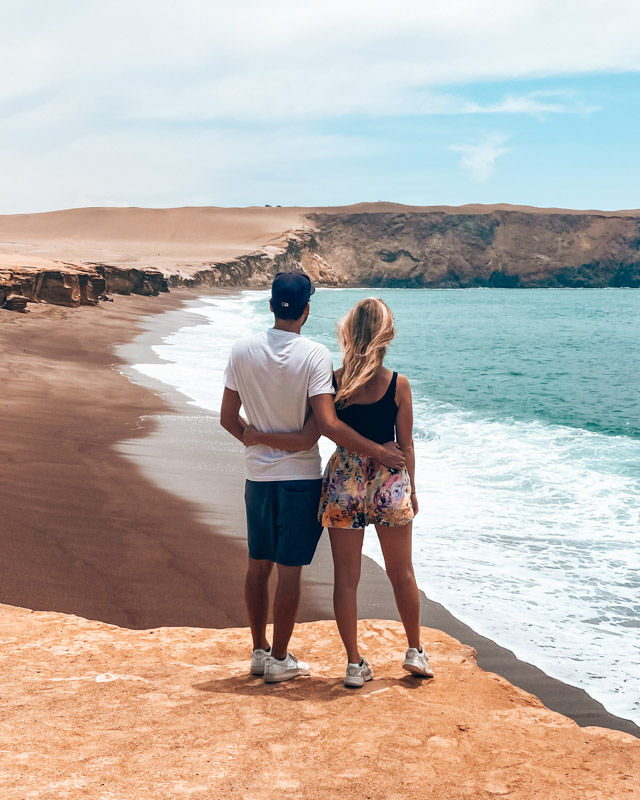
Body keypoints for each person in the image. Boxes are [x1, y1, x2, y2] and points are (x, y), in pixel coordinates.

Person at [220, 274, 405, 684]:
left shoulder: (241, 349)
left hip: (258, 476)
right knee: (289, 571)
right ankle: (280, 660)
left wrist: (254, 439)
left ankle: (258, 651)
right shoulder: (314, 355)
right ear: (306, 309)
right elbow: (319, 428)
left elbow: (227, 419)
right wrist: (379, 451)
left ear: (271, 305)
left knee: (257, 564)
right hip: (299, 478)